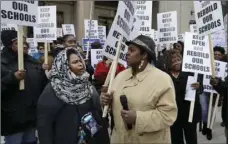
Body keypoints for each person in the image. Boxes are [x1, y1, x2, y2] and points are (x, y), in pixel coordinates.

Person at [100, 35, 177, 143]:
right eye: (127, 50)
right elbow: (112, 108)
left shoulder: (162, 79)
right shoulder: (119, 77)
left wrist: (137, 117)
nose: (127, 53)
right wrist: (105, 102)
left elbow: (168, 116)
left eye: (132, 50)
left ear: (144, 55)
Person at [37, 48, 109, 144]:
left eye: (80, 61)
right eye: (75, 62)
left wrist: (103, 103)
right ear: (64, 66)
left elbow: (98, 113)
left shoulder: (87, 85)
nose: (80, 64)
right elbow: (45, 125)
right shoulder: (53, 89)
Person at [1, 30, 48, 144]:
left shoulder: (33, 62)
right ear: (9, 45)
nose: (24, 45)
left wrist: (44, 72)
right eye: (18, 42)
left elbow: (43, 86)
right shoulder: (3, 63)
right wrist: (12, 78)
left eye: (24, 42)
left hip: (31, 116)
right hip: (14, 119)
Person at [164, 50, 203, 144]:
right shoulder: (164, 76)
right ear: (168, 62)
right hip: (173, 114)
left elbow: (201, 89)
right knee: (176, 139)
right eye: (173, 60)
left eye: (179, 59)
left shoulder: (190, 72)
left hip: (189, 113)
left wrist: (198, 87)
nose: (177, 62)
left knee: (191, 138)